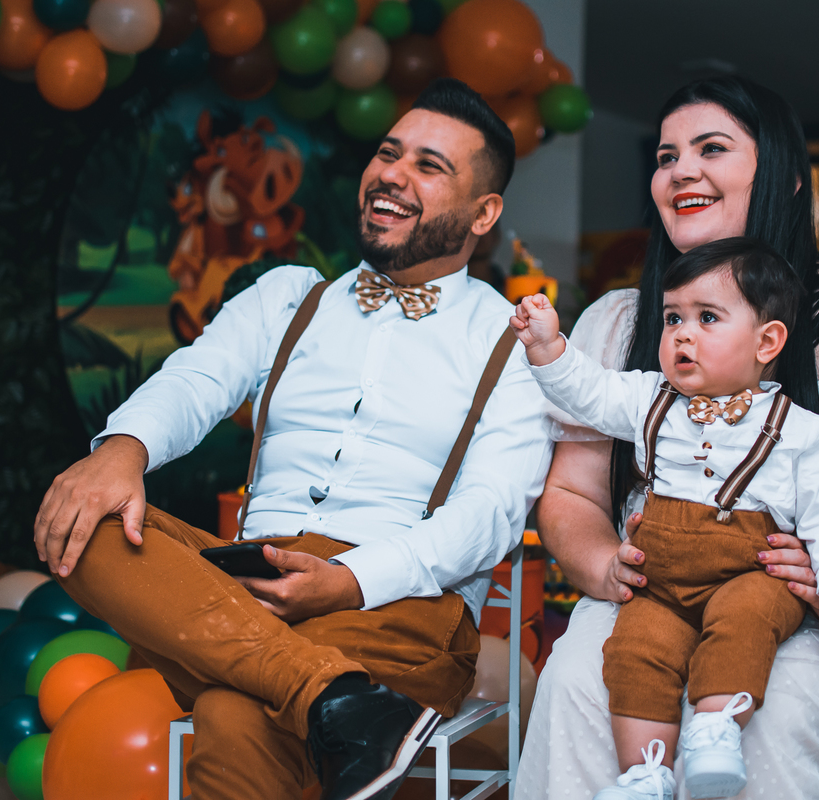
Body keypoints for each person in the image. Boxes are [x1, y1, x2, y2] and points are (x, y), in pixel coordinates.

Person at [32, 79, 552, 800]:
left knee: (234, 709)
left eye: (429, 167)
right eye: (388, 153)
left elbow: (492, 513)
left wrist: (349, 579)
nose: (392, 175)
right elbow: (194, 380)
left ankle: (324, 695)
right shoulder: (288, 296)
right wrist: (123, 450)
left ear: (483, 212)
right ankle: (337, 698)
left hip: (397, 604)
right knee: (86, 525)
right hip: (245, 585)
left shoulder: (517, 344)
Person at [513, 76, 819, 800]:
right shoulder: (622, 324)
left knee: (779, 704)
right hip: (661, 589)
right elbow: (573, 491)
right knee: (582, 674)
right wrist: (604, 563)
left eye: (712, 148)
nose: (683, 169)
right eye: (667, 155)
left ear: (786, 180)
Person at [512, 237, 819, 800]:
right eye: (672, 317)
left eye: (707, 318)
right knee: (635, 652)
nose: (682, 333)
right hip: (660, 580)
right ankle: (645, 772)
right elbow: (588, 392)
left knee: (747, 622)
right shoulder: (648, 398)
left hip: (750, 571)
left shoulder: (796, 428)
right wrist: (548, 348)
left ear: (767, 340)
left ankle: (715, 731)